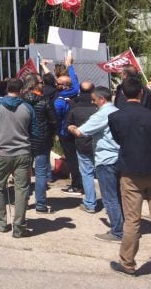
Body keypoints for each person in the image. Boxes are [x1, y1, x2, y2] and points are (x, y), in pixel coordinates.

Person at [107, 77, 151, 282]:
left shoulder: (116, 117)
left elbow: (120, 140)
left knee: (132, 220)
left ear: (123, 94)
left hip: (131, 174)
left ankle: (127, 263)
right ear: (142, 93)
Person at [0, 78, 38, 238]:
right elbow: (35, 132)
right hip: (23, 153)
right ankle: (19, 227)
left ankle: (0, 222)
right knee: (22, 189)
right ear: (21, 90)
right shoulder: (28, 107)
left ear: (7, 88)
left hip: (3, 152)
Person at [67, 86, 123, 242]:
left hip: (106, 158)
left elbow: (81, 132)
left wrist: (72, 128)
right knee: (118, 195)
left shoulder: (102, 114)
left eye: (94, 100)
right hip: (120, 157)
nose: (93, 103)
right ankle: (123, 225)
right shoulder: (118, 111)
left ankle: (117, 231)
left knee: (110, 197)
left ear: (102, 99)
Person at [22, 73, 58, 214]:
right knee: (41, 172)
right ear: (35, 84)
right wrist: (53, 134)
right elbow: (53, 120)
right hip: (42, 139)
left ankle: (22, 202)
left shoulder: (21, 100)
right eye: (40, 82)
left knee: (24, 172)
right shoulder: (45, 100)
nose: (42, 84)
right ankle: (41, 204)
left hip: (24, 139)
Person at [53, 53, 82, 195]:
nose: (55, 84)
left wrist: (56, 132)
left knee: (72, 159)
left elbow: (55, 119)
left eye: (58, 83)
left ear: (64, 86)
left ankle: (76, 185)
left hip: (65, 132)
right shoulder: (74, 92)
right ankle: (78, 182)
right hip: (75, 130)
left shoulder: (59, 102)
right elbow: (75, 82)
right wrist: (70, 65)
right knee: (76, 157)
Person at [67, 82, 97, 213]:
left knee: (87, 173)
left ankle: (90, 202)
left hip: (82, 144)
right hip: (99, 145)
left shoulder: (74, 107)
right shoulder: (98, 108)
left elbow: (69, 125)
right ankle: (111, 203)